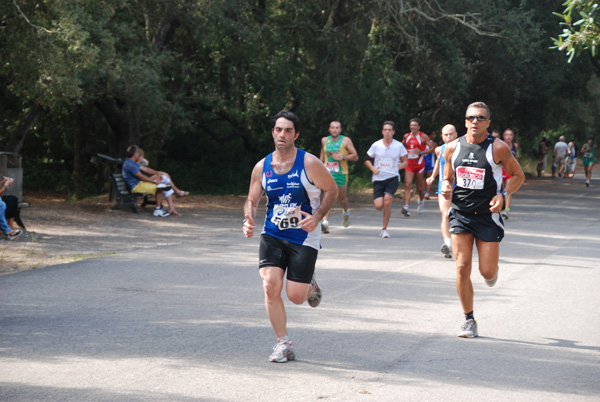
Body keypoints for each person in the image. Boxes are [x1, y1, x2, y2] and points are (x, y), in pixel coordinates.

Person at [242, 110, 338, 363]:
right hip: (273, 233)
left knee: (296, 297)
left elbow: (332, 189)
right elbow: (252, 200)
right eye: (278, 129)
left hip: (304, 237)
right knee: (269, 286)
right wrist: (248, 217)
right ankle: (283, 343)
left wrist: (316, 217)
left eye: (287, 130)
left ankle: (309, 286)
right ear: (273, 132)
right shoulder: (262, 167)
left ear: (296, 134)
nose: (282, 134)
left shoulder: (309, 163)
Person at [441, 102, 524, 338]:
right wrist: (446, 187)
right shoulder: (451, 148)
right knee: (461, 267)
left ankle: (492, 272)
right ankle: (469, 319)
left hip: (488, 216)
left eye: (480, 118)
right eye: (470, 118)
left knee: (487, 273)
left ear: (488, 123)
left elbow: (518, 175)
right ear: (465, 121)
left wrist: (504, 194)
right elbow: (447, 178)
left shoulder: (498, 148)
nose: (475, 121)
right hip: (461, 214)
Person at [364, 121, 408, 238]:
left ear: (393, 132)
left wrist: (402, 165)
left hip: (392, 176)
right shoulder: (376, 145)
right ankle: (383, 223)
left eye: (389, 130)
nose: (387, 132)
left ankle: (384, 229)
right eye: (385, 130)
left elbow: (405, 160)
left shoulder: (398, 146)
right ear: (382, 131)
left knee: (387, 201)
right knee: (379, 205)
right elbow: (367, 159)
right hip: (378, 178)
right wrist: (373, 168)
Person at [319, 120, 359, 233]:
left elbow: (355, 156)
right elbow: (323, 153)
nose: (334, 129)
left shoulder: (345, 141)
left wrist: (344, 157)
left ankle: (346, 211)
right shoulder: (324, 140)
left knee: (342, 198)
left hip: (341, 173)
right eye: (332, 127)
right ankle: (325, 223)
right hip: (328, 173)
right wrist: (318, 165)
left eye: (337, 128)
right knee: (328, 196)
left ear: (340, 130)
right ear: (329, 129)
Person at [426, 124, 457, 258]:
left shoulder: (462, 148)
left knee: (458, 215)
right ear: (442, 136)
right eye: (445, 134)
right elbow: (439, 162)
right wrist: (433, 176)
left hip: (460, 186)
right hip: (443, 185)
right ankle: (447, 244)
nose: (448, 137)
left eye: (451, 134)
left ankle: (458, 243)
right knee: (445, 214)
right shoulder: (439, 149)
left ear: (456, 134)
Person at [121, 145, 174, 217]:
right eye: (137, 152)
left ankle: (159, 208)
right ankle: (158, 209)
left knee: (160, 184)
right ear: (134, 154)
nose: (139, 154)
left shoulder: (132, 162)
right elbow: (141, 177)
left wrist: (156, 173)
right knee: (159, 187)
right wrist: (154, 181)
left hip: (139, 184)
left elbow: (146, 170)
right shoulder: (130, 164)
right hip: (135, 186)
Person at [138, 148, 188, 215]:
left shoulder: (137, 163)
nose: (143, 158)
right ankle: (176, 194)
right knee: (165, 179)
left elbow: (146, 162)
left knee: (166, 181)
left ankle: (172, 207)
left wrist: (141, 158)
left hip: (147, 179)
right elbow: (146, 170)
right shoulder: (135, 165)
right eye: (142, 156)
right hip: (144, 181)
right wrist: (158, 173)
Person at [401, 118, 434, 216]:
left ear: (419, 127)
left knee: (419, 187)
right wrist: (402, 156)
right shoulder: (406, 136)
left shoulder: (423, 136)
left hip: (419, 163)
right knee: (408, 184)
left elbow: (432, 148)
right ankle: (406, 206)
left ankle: (421, 201)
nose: (413, 127)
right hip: (409, 164)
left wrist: (421, 152)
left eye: (415, 125)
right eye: (411, 125)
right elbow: (401, 146)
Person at [500, 128, 519, 220]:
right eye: (507, 135)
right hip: (500, 170)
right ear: (503, 136)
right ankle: (499, 207)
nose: (508, 136)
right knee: (499, 190)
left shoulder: (515, 146)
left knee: (508, 190)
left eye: (510, 135)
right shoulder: (499, 144)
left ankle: (506, 210)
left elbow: (516, 158)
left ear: (513, 136)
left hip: (509, 171)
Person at [423, 130, 438, 200]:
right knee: (428, 177)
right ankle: (427, 192)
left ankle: (424, 191)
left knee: (423, 177)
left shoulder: (422, 143)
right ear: (430, 135)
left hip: (423, 161)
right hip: (429, 162)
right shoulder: (433, 143)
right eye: (433, 134)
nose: (435, 136)